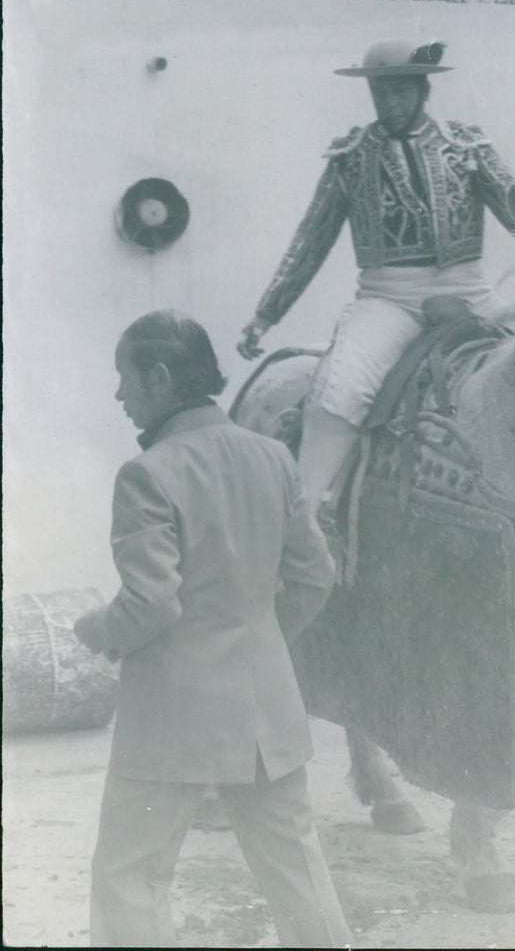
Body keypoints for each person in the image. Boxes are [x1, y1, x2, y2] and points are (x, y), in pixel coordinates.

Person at [73, 311, 351, 948]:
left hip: (174, 716)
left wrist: (98, 630)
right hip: (266, 711)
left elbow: (151, 605)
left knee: (130, 876)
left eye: (126, 379)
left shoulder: (148, 473)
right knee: (297, 873)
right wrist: (261, 640)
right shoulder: (274, 458)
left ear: (162, 377)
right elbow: (315, 576)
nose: (120, 395)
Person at [237, 39, 515, 519]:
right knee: (339, 391)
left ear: (422, 90)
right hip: (387, 298)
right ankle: (309, 515)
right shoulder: (351, 158)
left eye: (400, 92)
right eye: (381, 95)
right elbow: (310, 241)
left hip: (469, 292)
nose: (391, 105)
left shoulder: (469, 147)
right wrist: (265, 314)